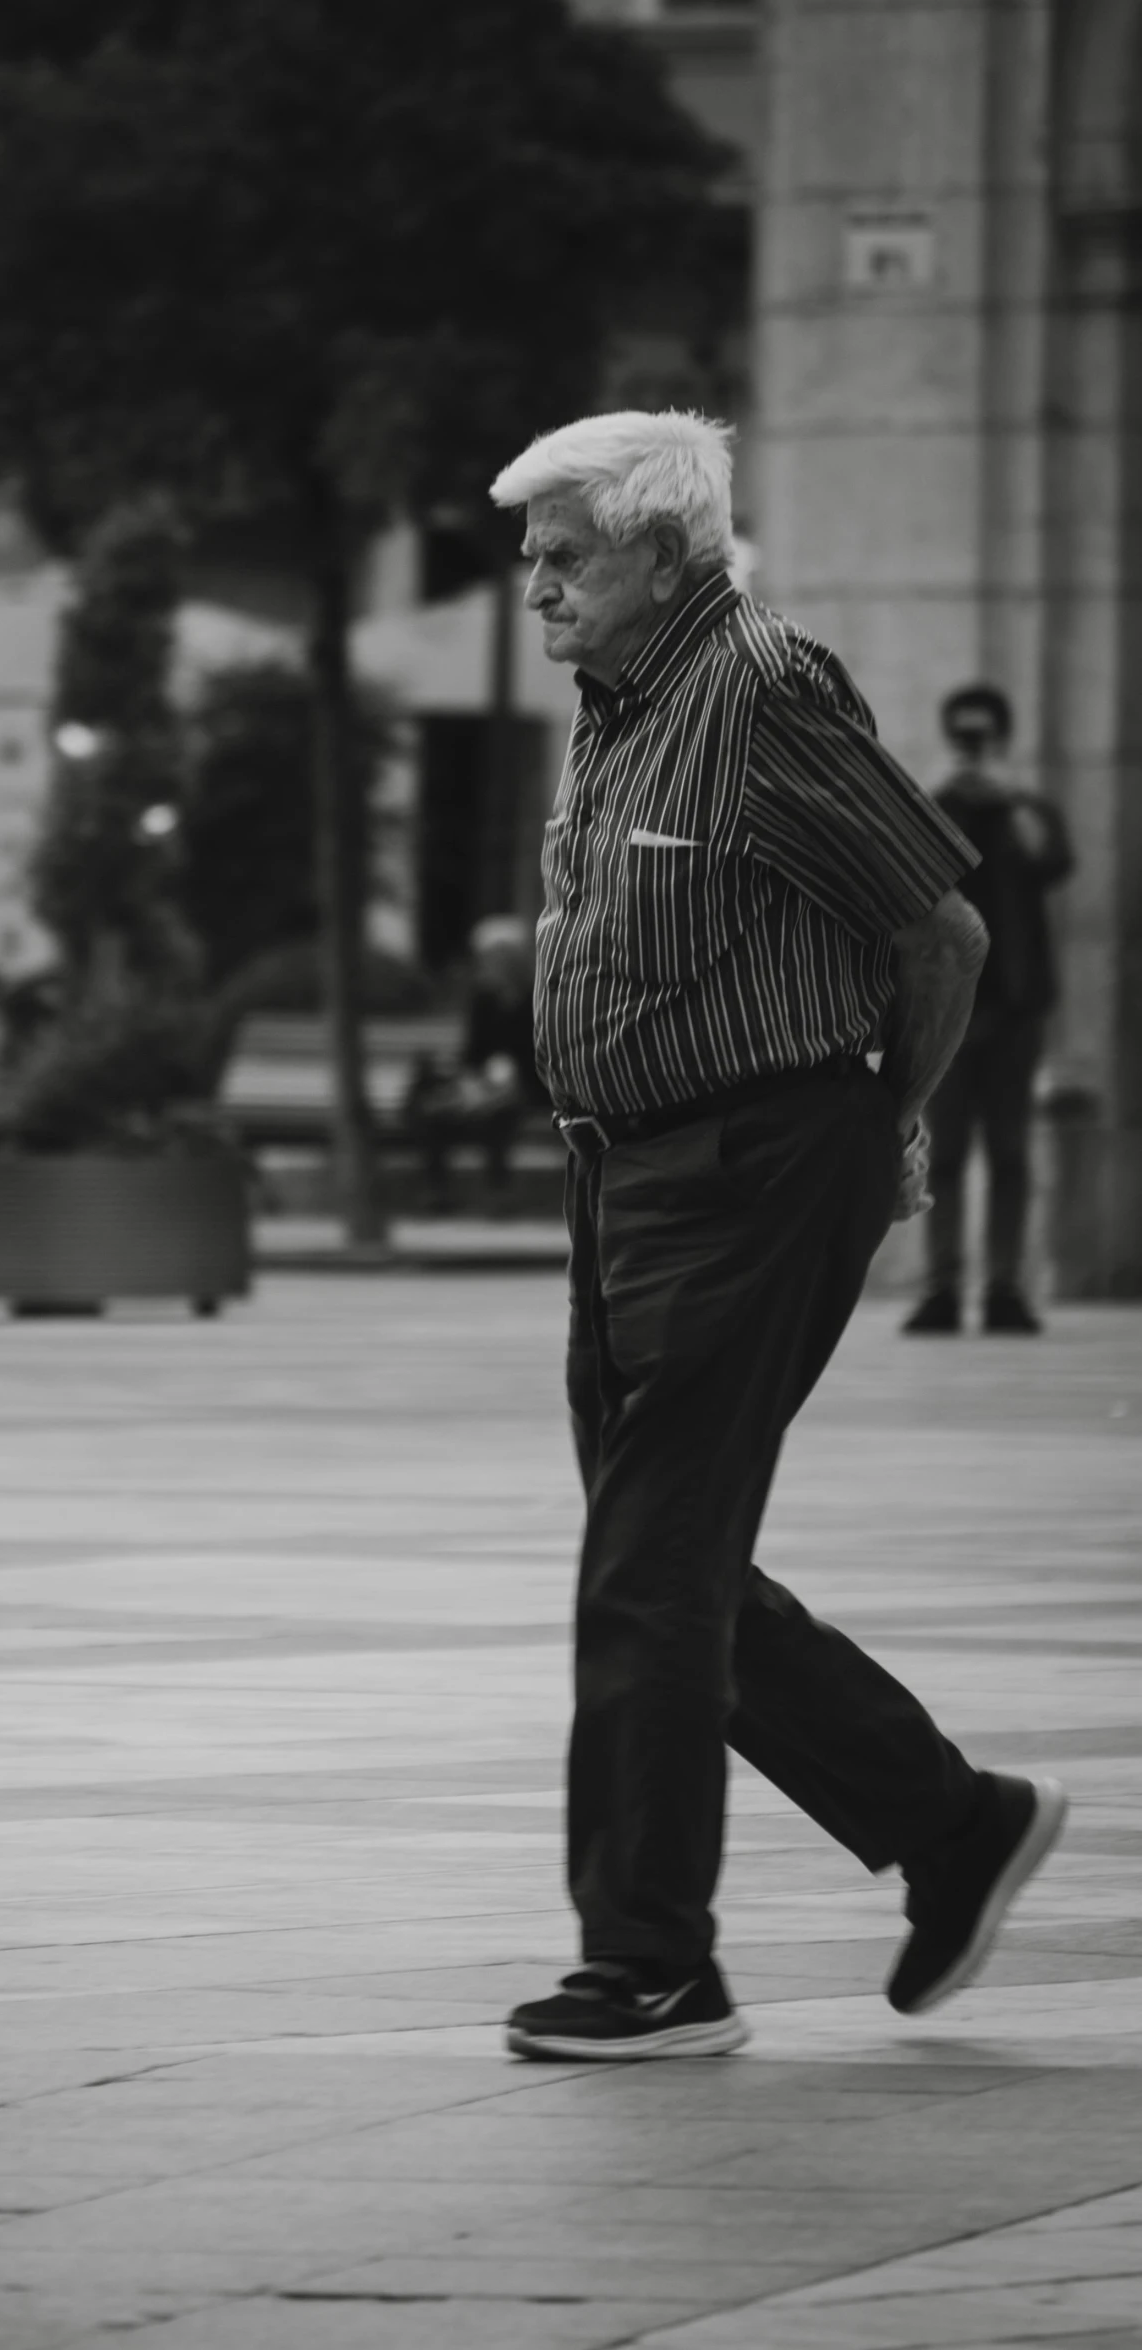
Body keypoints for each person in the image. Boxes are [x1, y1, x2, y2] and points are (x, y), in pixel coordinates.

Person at [488, 410, 1066, 2062]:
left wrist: (883, 1120)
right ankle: (952, 1826)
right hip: (627, 1172)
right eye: (527, 558)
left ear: (665, 558)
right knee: (659, 1556)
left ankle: (651, 1965)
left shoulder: (760, 692)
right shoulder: (617, 707)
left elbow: (938, 930)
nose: (535, 588)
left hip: (755, 1161)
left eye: (565, 557)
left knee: (648, 1568)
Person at [903, 685, 1073, 1336]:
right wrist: (931, 794)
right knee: (940, 1153)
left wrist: (1010, 795)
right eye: (963, 737)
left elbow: (1053, 862)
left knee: (1008, 1152)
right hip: (945, 1008)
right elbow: (901, 871)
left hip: (1013, 1009)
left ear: (1000, 741)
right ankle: (940, 1287)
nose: (972, 749)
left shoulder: (1023, 809)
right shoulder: (929, 805)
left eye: (982, 738)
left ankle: (1004, 1286)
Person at [405, 916, 547, 1211]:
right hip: (485, 1086)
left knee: (500, 1114)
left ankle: (499, 1192)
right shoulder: (483, 1001)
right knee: (435, 1112)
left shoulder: (537, 999)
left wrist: (510, 1075)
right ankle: (436, 1191)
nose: (489, 965)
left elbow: (543, 1055)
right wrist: (473, 1081)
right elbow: (472, 1055)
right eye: (487, 959)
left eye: (497, 958)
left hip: (527, 1088)